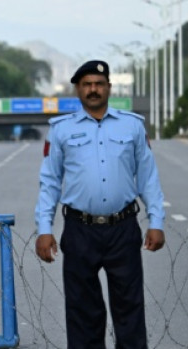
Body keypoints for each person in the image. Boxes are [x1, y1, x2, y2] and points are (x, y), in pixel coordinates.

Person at [35, 60, 166, 349]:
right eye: (86, 84)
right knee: (83, 312)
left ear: (108, 87)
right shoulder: (61, 130)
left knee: (129, 309)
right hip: (80, 230)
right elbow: (50, 182)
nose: (93, 89)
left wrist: (156, 222)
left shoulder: (132, 126)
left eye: (98, 83)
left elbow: (148, 178)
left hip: (123, 228)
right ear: (78, 90)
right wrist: (44, 228)